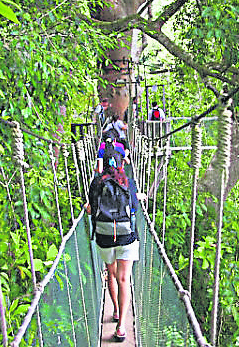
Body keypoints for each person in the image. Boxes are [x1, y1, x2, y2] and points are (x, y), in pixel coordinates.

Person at [86, 145, 142, 342]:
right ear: (121, 164)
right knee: (123, 279)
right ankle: (120, 328)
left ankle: (116, 311)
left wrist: (88, 208)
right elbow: (133, 208)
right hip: (126, 237)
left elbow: (91, 209)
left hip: (104, 236)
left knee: (110, 273)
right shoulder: (129, 182)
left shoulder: (96, 182)